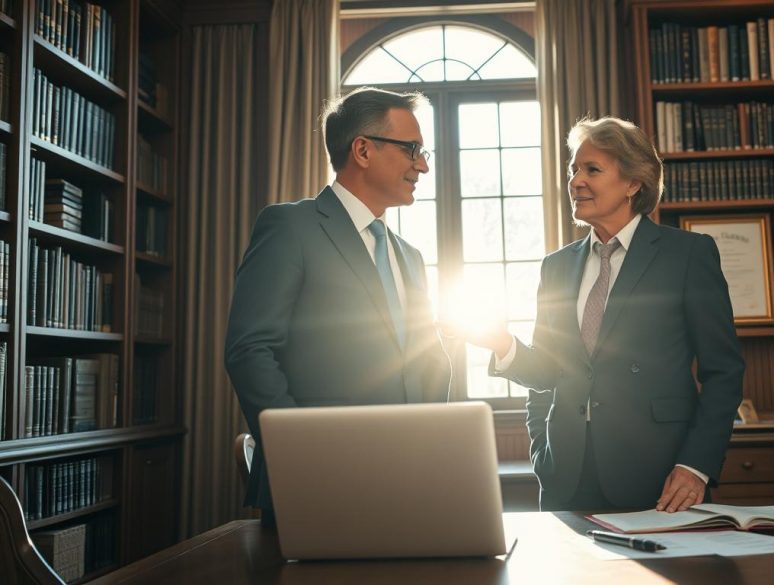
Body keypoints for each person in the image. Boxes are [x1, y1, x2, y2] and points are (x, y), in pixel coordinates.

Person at [462, 117, 744, 512]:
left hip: (661, 476)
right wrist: (504, 346)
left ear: (633, 183)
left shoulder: (688, 255)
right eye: (574, 169)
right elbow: (547, 372)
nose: (576, 180)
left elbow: (724, 372)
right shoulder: (556, 266)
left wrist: (695, 466)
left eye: (592, 169)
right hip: (566, 475)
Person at [224, 87, 452, 525]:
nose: (423, 165)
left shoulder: (410, 256)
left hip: (407, 486)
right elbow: (249, 351)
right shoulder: (290, 226)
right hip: (315, 484)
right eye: (412, 150)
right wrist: (302, 452)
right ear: (362, 150)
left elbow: (427, 363)